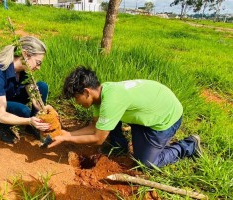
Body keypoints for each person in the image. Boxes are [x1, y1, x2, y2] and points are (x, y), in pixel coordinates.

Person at [48, 66, 202, 168]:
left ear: (87, 92)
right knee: (106, 120)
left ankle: (189, 145)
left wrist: (66, 138)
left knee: (147, 163)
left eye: (76, 97)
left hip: (166, 118)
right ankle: (119, 145)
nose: (77, 102)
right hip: (148, 111)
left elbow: (98, 137)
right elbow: (96, 125)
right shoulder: (101, 93)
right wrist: (67, 133)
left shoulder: (111, 101)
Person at [0, 36, 50, 144]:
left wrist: (41, 106)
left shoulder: (24, 70)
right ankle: (1, 125)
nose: (38, 68)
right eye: (38, 63)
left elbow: (35, 98)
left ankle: (33, 126)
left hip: (10, 98)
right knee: (23, 111)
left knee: (42, 87)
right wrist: (29, 120)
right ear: (25, 54)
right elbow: (1, 114)